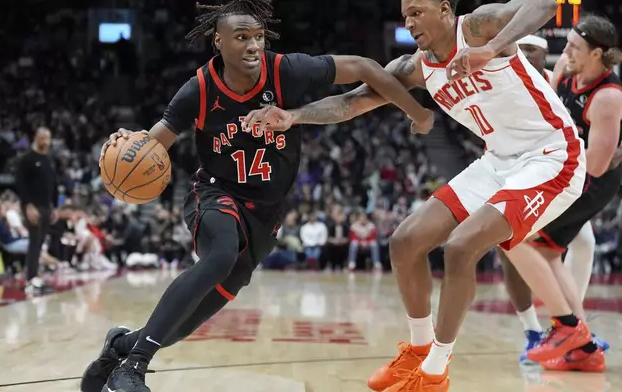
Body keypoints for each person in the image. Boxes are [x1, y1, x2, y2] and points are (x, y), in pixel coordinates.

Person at [79, 1, 433, 391]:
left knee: (185, 322)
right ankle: (133, 369)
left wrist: (416, 112)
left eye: (258, 37)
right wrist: (127, 143)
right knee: (220, 253)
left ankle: (122, 345)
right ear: (219, 42)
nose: (252, 45)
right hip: (215, 194)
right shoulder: (199, 89)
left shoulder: (285, 71)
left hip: (265, 215)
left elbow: (365, 68)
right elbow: (152, 144)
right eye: (241, 37)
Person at [245, 0, 593, 390]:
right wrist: (293, 116)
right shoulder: (414, 68)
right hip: (498, 160)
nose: (409, 22)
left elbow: (544, 4)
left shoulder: (478, 28)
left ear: (445, 10)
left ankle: (435, 371)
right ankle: (418, 349)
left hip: (553, 155)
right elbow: (351, 102)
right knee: (406, 241)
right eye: (405, 15)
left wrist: (492, 49)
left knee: (461, 246)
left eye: (417, 12)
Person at [502, 14, 622, 372]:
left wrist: (554, 156)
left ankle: (568, 328)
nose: (565, 50)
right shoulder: (565, 71)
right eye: (567, 43)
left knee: (516, 235)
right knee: (549, 254)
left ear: (598, 54)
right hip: (566, 171)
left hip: (591, 181)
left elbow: (598, 165)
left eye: (574, 46)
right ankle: (583, 347)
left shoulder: (608, 96)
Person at [15, 127, 57, 294]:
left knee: (40, 245)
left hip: (47, 207)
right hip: (33, 207)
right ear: (36, 138)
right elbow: (20, 183)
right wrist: (28, 205)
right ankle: (30, 280)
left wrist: (54, 206)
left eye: (48, 138)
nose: (45, 142)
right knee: (34, 243)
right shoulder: (27, 159)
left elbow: (53, 184)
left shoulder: (49, 159)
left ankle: (35, 277)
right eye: (42, 138)